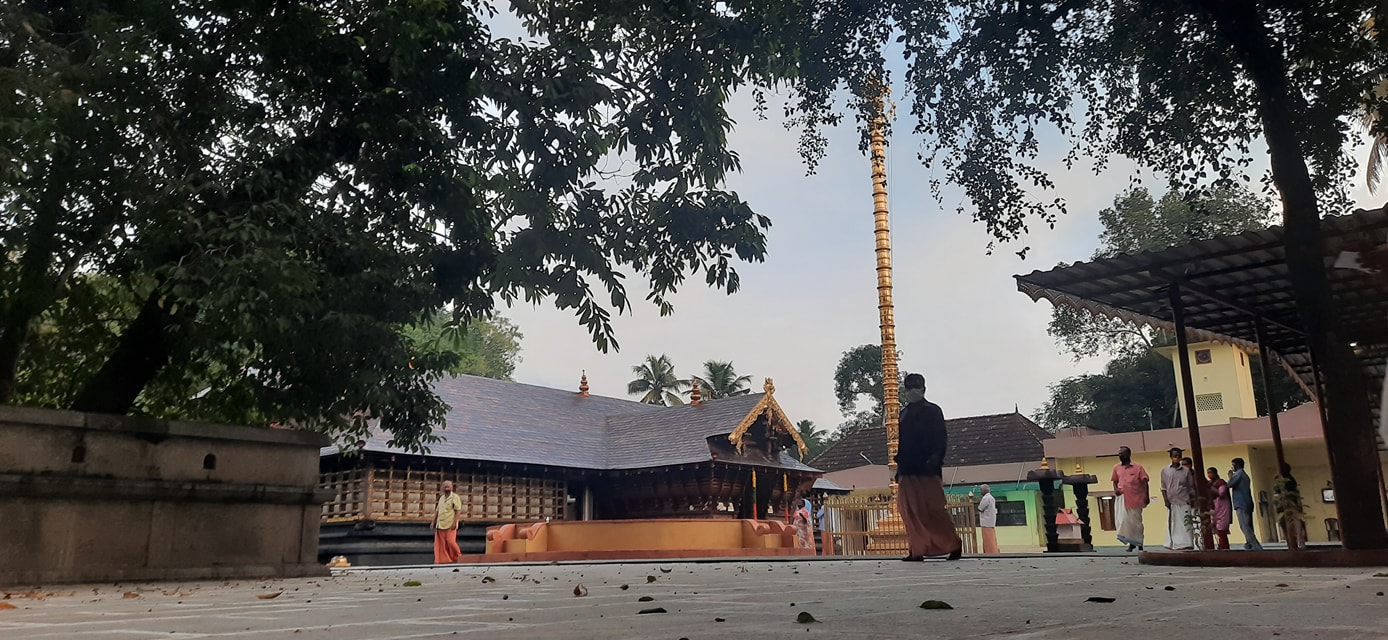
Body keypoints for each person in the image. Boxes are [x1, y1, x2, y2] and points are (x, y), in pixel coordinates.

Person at [894, 373, 963, 561]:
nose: (911, 391)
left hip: (928, 468)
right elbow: (902, 443)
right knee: (909, 510)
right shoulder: (904, 414)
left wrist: (935, 459)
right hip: (907, 468)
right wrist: (899, 469)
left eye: (915, 387)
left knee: (934, 509)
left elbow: (941, 439)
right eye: (908, 388)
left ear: (923, 389)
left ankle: (953, 545)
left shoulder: (933, 411)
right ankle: (916, 549)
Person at [1111, 446, 1151, 552]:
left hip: (1136, 498)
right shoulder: (1116, 468)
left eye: (1123, 454)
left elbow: (1145, 481)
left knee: (1136, 523)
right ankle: (1131, 544)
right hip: (1122, 499)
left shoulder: (1138, 467)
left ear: (1129, 454)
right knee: (1124, 521)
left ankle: (1140, 544)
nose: (1121, 456)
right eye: (1119, 454)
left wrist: (1147, 496)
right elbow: (1114, 481)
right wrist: (1116, 490)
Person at [1161, 448, 1196, 550]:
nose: (1177, 457)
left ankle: (1186, 543)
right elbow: (1163, 487)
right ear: (1171, 456)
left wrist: (1193, 499)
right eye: (1175, 455)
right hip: (1172, 501)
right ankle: (1173, 543)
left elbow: (1190, 486)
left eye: (1179, 455)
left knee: (1185, 523)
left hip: (1184, 500)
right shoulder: (1165, 470)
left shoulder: (1186, 471)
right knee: (1173, 523)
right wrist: (1165, 500)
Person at [1227, 458, 1262, 550]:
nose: (1232, 467)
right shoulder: (1245, 475)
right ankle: (1249, 544)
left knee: (1244, 525)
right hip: (1247, 502)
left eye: (1233, 464)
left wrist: (1230, 476)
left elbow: (1229, 485)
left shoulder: (1238, 474)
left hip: (1241, 503)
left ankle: (1256, 545)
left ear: (1236, 465)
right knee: (1249, 524)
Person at [1274, 462, 1306, 551]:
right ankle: (1296, 544)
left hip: (1288, 506)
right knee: (1292, 525)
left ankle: (1295, 545)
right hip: (1290, 506)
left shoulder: (1286, 480)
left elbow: (1278, 494)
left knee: (1290, 525)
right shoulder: (1291, 480)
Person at [432, 480, 464, 563]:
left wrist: (455, 522)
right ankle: (445, 560)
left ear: (452, 487)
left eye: (448, 486)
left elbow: (458, 511)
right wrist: (433, 521)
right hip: (441, 524)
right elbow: (437, 510)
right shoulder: (441, 498)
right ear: (442, 488)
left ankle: (459, 556)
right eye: (445, 486)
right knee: (442, 544)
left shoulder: (455, 497)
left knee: (451, 542)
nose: (447, 488)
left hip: (450, 524)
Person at [1207, 467, 1232, 550]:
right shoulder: (1209, 483)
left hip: (1223, 507)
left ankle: (1224, 546)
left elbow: (1221, 493)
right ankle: (1220, 545)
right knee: (1215, 528)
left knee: (1222, 529)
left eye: (1211, 473)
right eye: (1208, 473)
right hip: (1213, 507)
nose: (1209, 475)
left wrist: (1211, 488)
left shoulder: (1221, 483)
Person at [975, 484, 999, 554]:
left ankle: (990, 552)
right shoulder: (991, 497)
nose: (980, 491)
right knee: (992, 538)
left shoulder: (985, 498)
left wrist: (978, 502)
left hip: (986, 522)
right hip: (991, 521)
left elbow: (980, 508)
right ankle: (993, 550)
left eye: (981, 490)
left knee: (988, 539)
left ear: (984, 490)